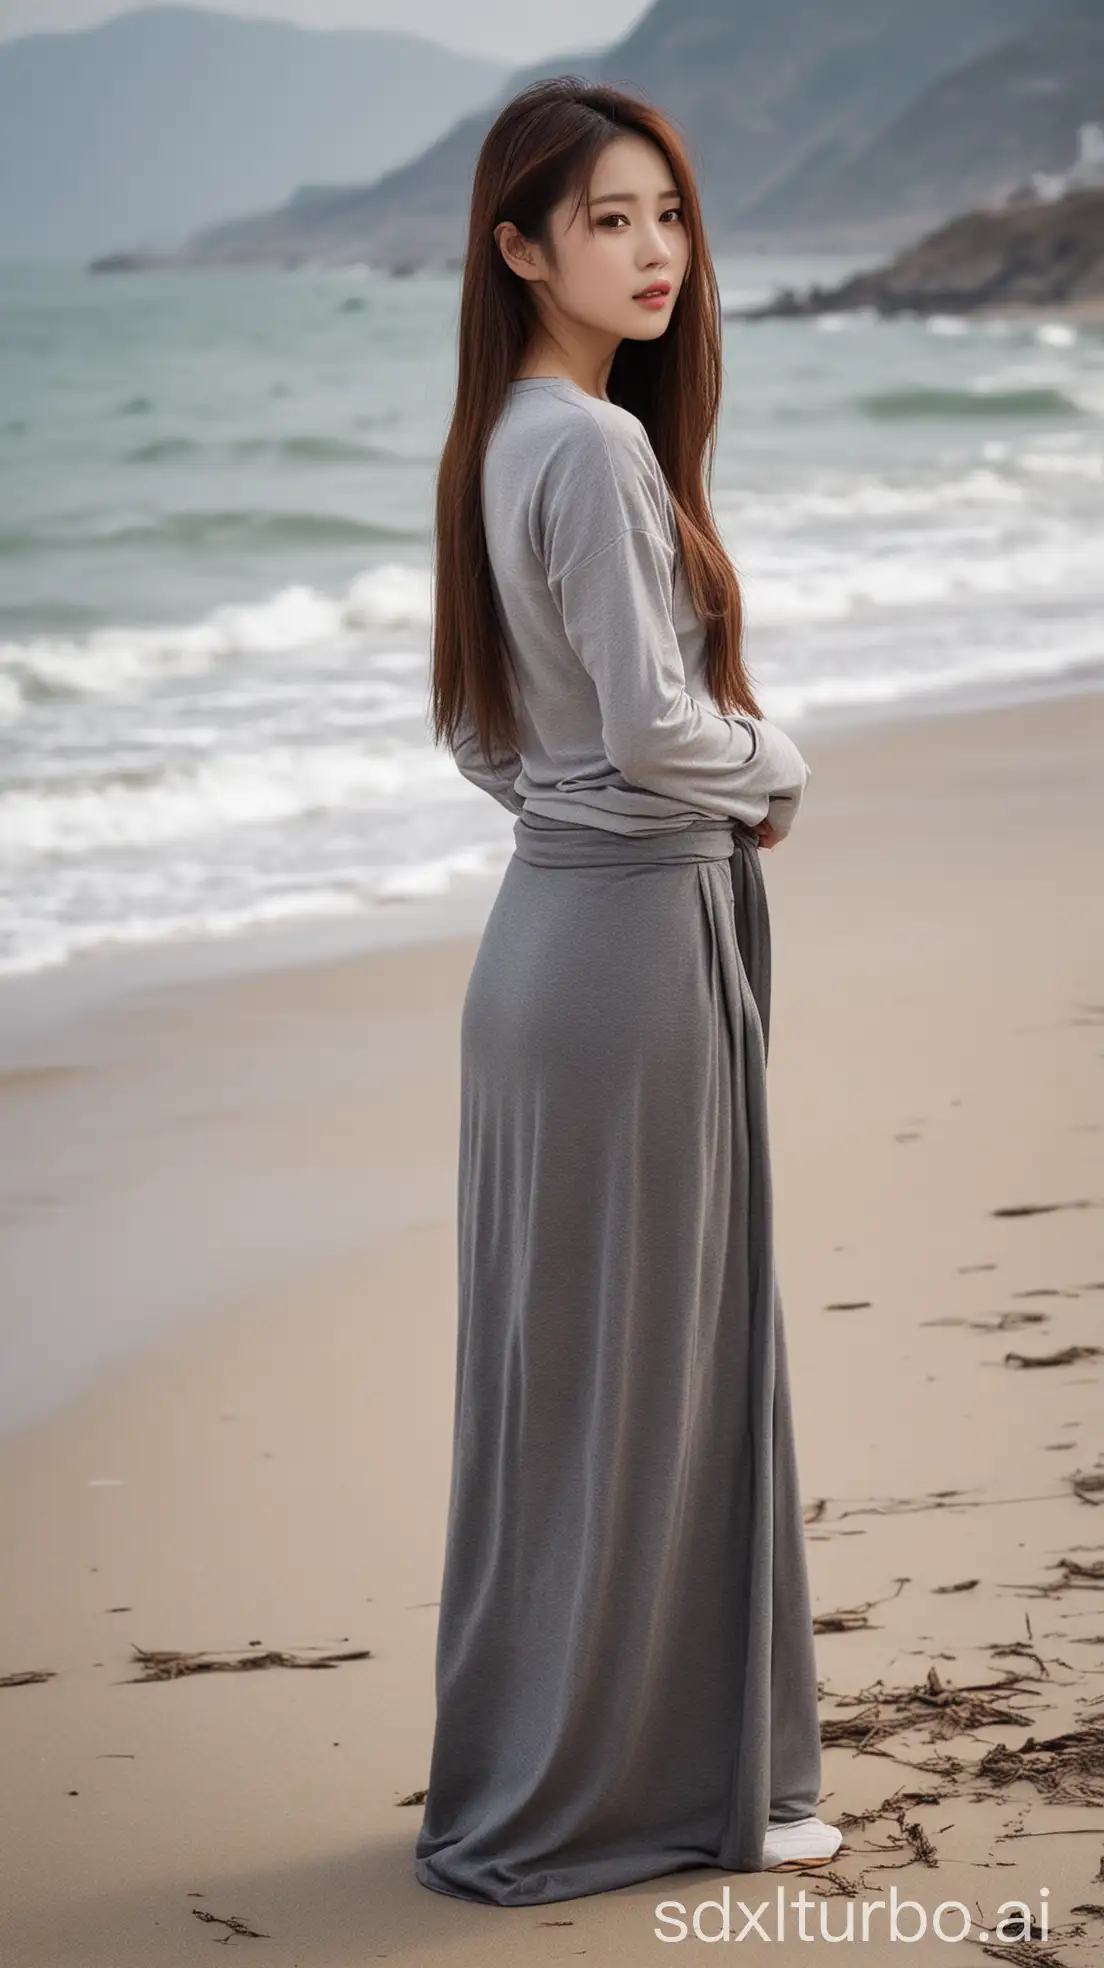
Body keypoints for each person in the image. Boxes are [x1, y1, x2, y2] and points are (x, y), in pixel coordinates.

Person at [415, 74, 842, 1909]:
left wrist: (585, 819)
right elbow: (663, 726)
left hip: (548, 945)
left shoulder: (506, 438)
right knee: (659, 1372)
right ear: (520, 246)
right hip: (622, 961)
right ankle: (628, 1798)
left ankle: (561, 1770)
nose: (656, 251)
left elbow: (475, 730)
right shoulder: (589, 449)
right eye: (608, 219)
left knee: (568, 1387)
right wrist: (777, 769)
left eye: (667, 211)